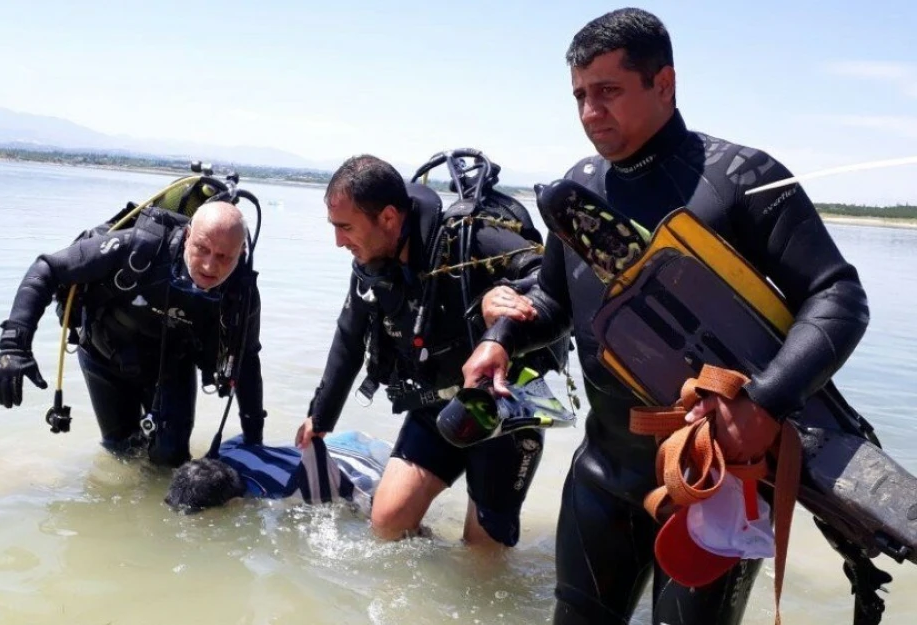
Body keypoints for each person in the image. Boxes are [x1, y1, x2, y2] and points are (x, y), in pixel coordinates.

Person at [461, 8, 870, 624]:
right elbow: (551, 304)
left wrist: (766, 402)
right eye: (579, 95)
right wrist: (501, 337)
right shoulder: (580, 189)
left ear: (664, 84)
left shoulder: (740, 179)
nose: (589, 113)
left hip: (713, 483)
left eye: (608, 92)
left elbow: (838, 296)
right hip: (601, 474)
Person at [295, 154, 553, 549]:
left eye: (346, 228)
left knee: (482, 556)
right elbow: (349, 336)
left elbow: (550, 281)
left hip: (501, 408)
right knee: (386, 524)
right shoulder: (370, 264)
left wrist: (505, 301)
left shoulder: (472, 239)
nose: (338, 241)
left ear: (388, 218)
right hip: (435, 405)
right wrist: (321, 415)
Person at [0, 200, 266, 468]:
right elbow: (47, 268)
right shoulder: (137, 248)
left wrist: (255, 439)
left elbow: (247, 359)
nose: (208, 266)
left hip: (171, 366)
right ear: (186, 236)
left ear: (241, 252)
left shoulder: (240, 293)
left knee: (170, 459)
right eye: (201, 248)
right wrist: (14, 346)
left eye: (223, 257)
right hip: (105, 355)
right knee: (120, 451)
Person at [165, 430, 390, 514]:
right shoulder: (225, 450)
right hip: (343, 438)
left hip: (367, 462)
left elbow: (356, 498)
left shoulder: (285, 492)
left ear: (234, 503)